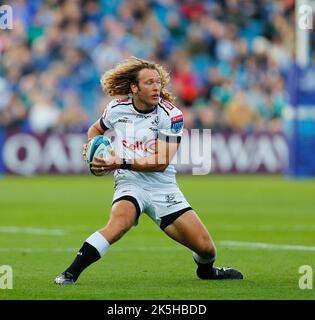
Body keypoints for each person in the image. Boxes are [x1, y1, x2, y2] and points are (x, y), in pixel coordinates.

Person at [54, 57, 243, 285]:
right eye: (149, 83)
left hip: (162, 186)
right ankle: (69, 275)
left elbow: (161, 162)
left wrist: (118, 161)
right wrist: (95, 149)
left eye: (158, 82)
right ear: (134, 88)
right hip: (130, 181)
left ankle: (206, 271)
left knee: (206, 249)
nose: (156, 88)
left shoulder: (171, 116)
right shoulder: (116, 109)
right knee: (118, 224)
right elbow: (95, 130)